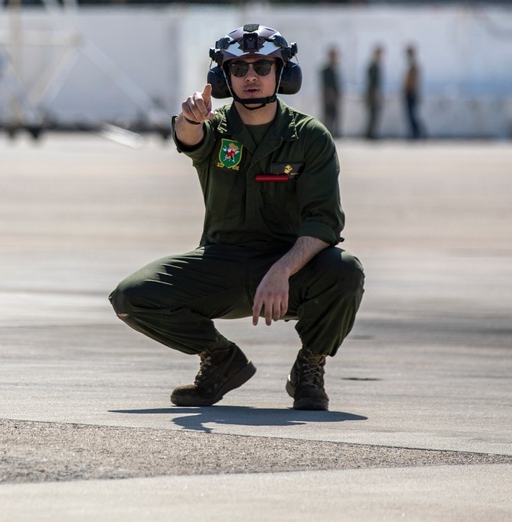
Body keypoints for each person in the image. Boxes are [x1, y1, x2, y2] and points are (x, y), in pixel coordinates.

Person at [109, 24, 364, 411]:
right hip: (221, 263)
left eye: (263, 67)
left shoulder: (310, 137)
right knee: (132, 297)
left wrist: (282, 271)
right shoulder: (215, 126)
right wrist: (190, 118)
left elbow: (324, 222)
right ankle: (219, 359)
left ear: (282, 74)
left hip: (290, 268)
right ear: (223, 77)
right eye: (239, 68)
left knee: (346, 272)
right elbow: (189, 138)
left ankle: (310, 364)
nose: (251, 77)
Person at [402, 44, 423, 139]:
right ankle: (415, 133)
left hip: (411, 93)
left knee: (412, 115)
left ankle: (417, 133)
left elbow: (414, 80)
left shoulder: (413, 65)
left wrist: (411, 90)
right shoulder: (410, 64)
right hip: (409, 93)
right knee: (410, 115)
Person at [319, 46, 342, 136]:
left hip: (335, 96)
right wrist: (330, 95)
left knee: (335, 115)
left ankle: (334, 132)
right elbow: (326, 84)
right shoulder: (326, 70)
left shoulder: (335, 69)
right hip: (328, 96)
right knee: (328, 115)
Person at [364, 45, 384, 140]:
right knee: (372, 114)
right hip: (372, 94)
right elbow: (372, 83)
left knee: (374, 115)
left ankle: (371, 133)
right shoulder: (373, 66)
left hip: (374, 93)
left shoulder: (376, 66)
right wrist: (375, 95)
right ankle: (369, 134)